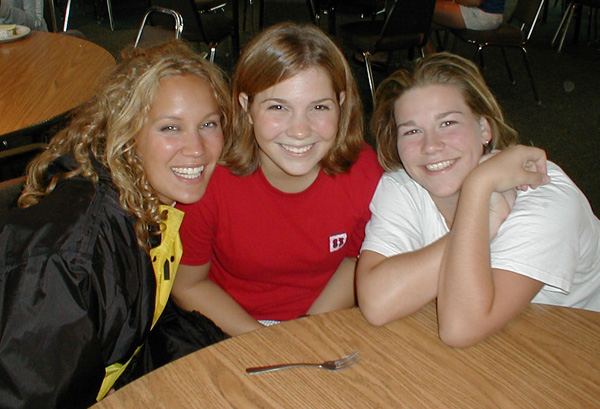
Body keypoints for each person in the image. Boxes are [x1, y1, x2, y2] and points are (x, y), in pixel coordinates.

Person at [0, 41, 229, 409]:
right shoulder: (70, 260)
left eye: (208, 124)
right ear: (126, 133)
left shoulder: (148, 204)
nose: (198, 148)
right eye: (171, 128)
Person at [357, 52, 600, 348]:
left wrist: (477, 186)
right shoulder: (405, 185)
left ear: (484, 128)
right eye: (412, 131)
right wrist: (482, 221)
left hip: (578, 351)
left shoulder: (544, 197)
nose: (430, 146)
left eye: (447, 123)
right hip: (507, 347)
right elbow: (377, 304)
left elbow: (460, 329)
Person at [173, 22, 384, 337]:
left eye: (318, 107)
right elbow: (188, 284)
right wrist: (267, 342)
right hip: (231, 327)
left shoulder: (363, 171)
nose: (299, 131)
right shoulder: (211, 178)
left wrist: (304, 333)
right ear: (247, 107)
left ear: (340, 105)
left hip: (327, 321)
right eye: (278, 107)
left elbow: (355, 260)